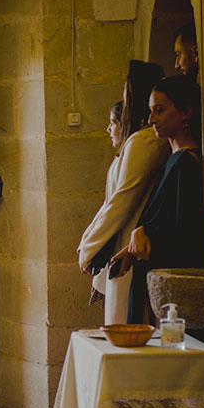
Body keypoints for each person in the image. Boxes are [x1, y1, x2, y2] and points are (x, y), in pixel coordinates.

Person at [110, 74, 204, 324]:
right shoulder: (172, 159)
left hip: (174, 293)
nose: (151, 119)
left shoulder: (187, 163)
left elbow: (184, 235)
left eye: (160, 110)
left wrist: (143, 236)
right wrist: (132, 247)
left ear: (186, 112)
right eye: (150, 111)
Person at [78, 93, 169, 324]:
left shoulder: (144, 142)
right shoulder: (130, 147)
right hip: (120, 247)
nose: (108, 129)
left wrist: (89, 247)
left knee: (125, 322)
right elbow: (110, 202)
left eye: (113, 122)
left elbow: (122, 201)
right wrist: (88, 242)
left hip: (130, 246)